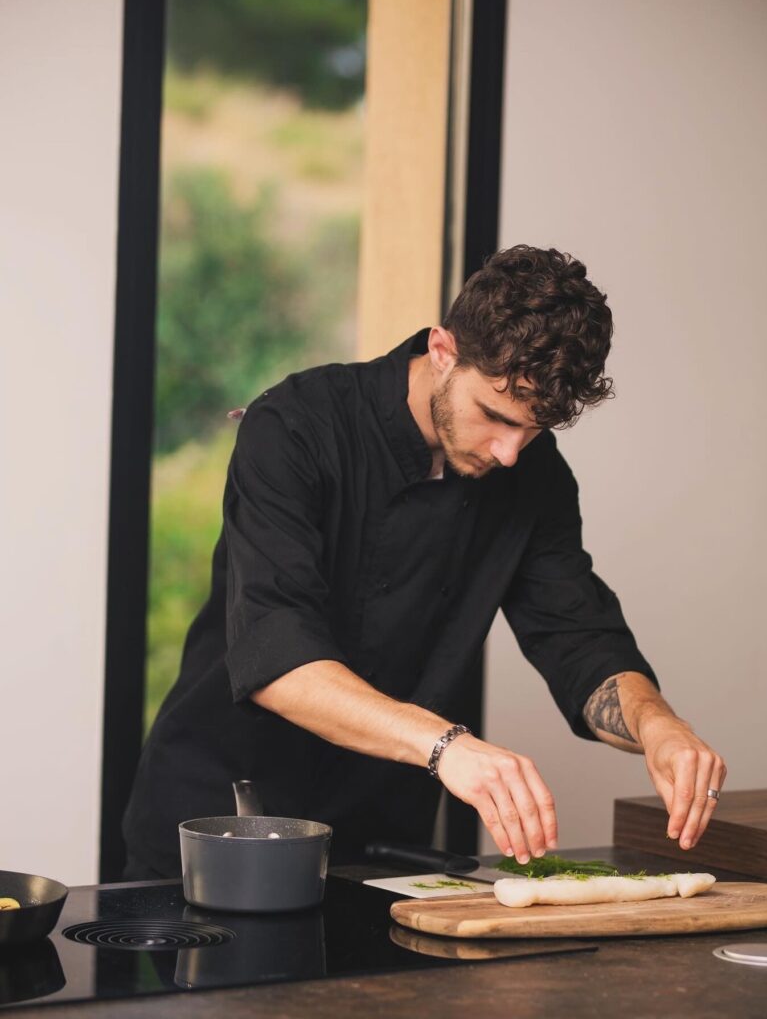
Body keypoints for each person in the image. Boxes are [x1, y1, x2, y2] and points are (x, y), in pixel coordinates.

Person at [122, 245, 726, 879]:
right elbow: (278, 657)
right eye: (494, 416)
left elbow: (580, 639)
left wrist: (658, 725)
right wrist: (447, 746)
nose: (510, 452)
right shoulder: (297, 427)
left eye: (535, 430)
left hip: (377, 836)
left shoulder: (534, 479)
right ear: (442, 351)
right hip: (219, 822)